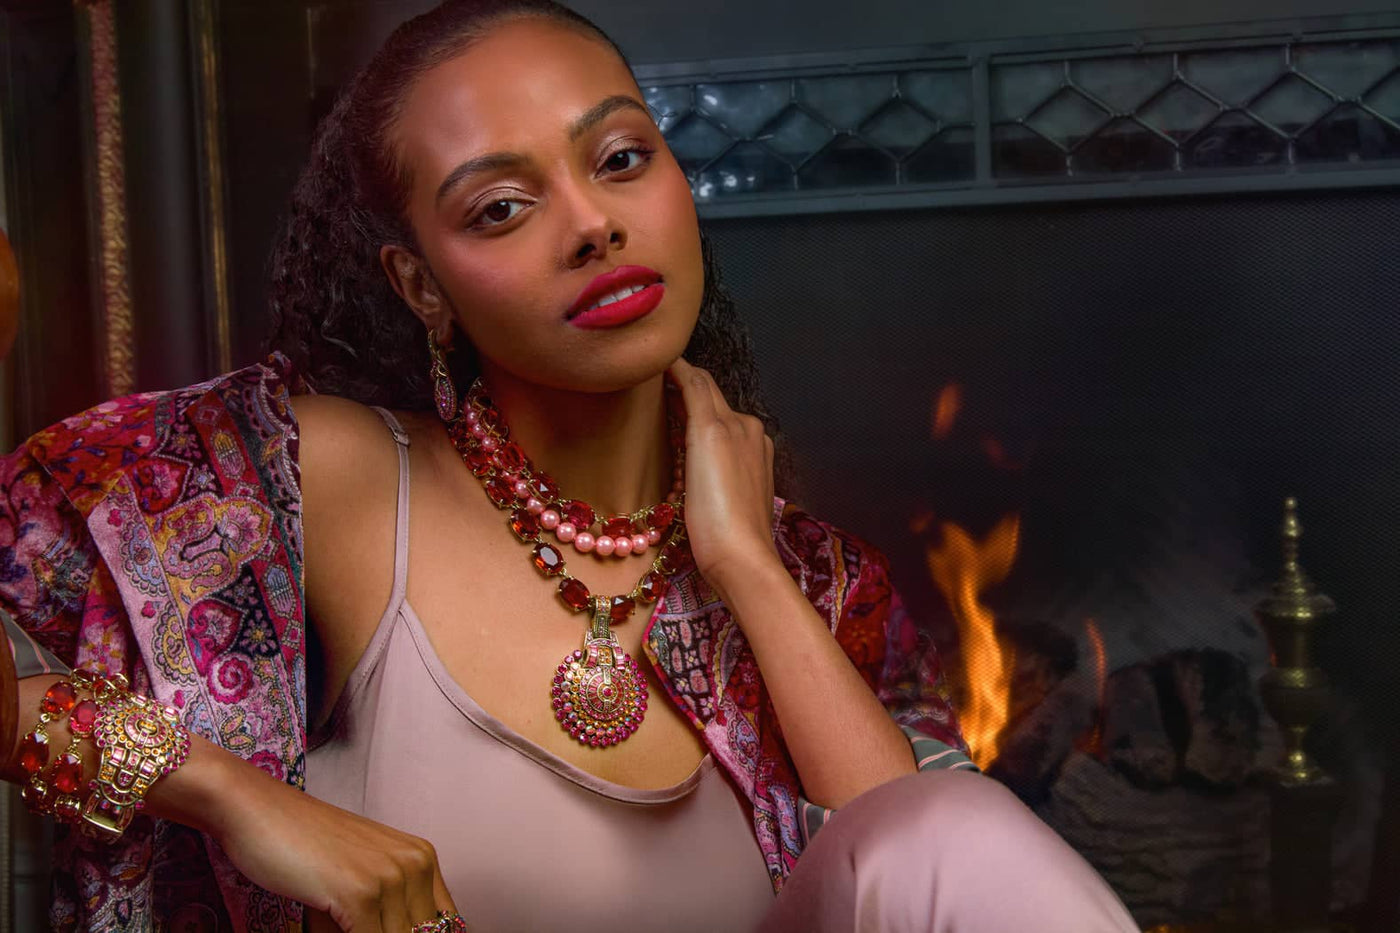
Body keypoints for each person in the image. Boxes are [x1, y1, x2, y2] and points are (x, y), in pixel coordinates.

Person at [0, 1, 1141, 930]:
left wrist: (747, 568)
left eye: (621, 157)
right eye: (501, 207)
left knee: (949, 828)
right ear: (420, 286)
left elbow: (928, 877)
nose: (592, 223)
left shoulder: (817, 583)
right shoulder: (320, 477)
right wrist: (229, 794)